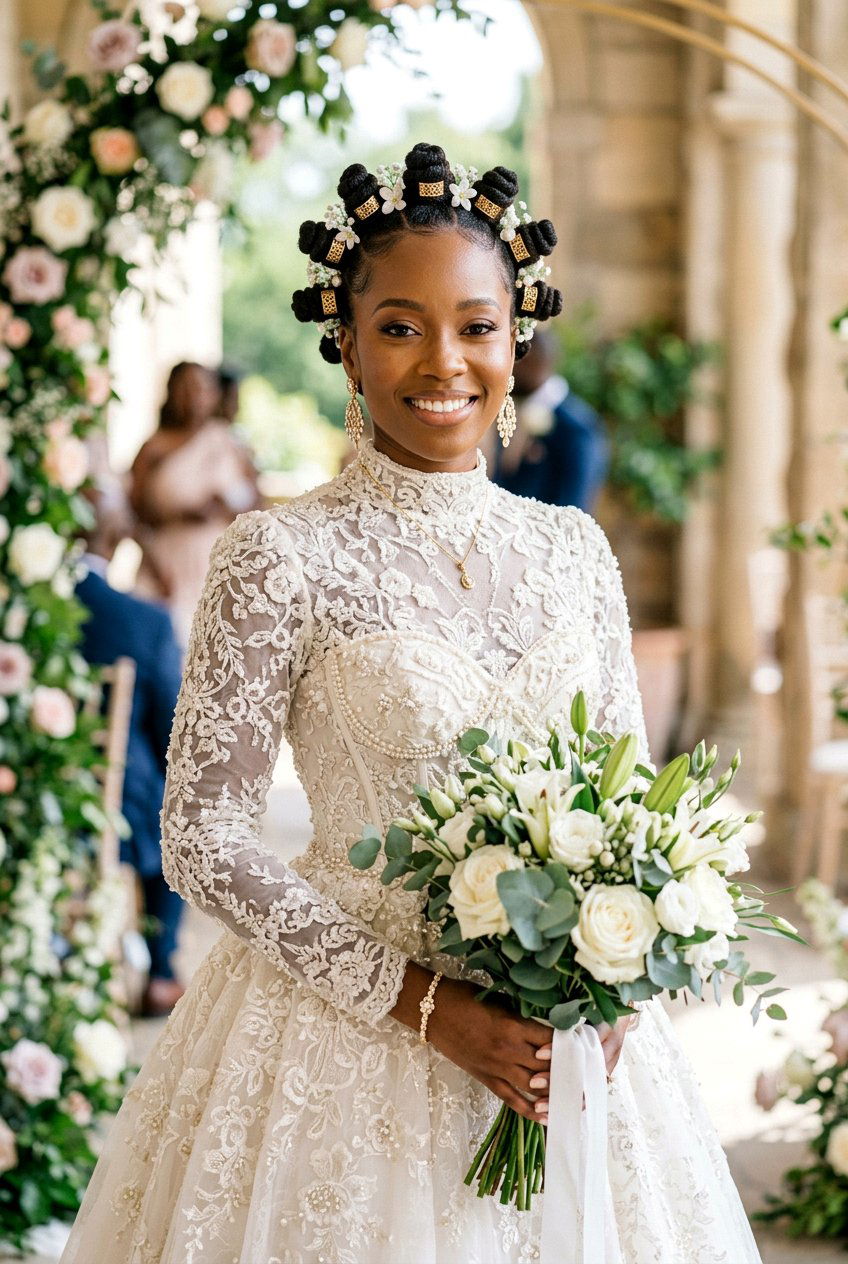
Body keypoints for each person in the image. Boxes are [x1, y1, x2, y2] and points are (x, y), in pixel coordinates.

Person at [60, 144, 760, 1263]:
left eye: (476, 326)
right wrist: (430, 1006)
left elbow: (639, 797)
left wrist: (619, 980)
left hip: (564, 1053)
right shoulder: (279, 553)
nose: (444, 361)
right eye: (400, 326)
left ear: (514, 338)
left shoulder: (573, 550)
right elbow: (200, 837)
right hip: (340, 1044)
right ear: (343, 340)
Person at [75, 483, 186, 1017]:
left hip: (26, 784)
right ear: (117, 537)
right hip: (112, 801)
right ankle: (161, 971)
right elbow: (174, 727)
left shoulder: (20, 606)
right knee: (178, 807)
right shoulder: (144, 620)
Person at [130, 360, 261, 647]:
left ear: (213, 394)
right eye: (185, 388)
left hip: (217, 565)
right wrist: (178, 517)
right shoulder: (153, 448)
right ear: (170, 392)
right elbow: (134, 517)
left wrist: (222, 508)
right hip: (166, 567)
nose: (193, 396)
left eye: (202, 388)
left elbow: (257, 507)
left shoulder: (229, 444)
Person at [488, 328, 609, 510]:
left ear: (528, 360)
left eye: (509, 358)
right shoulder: (507, 414)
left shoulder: (579, 431)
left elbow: (574, 510)